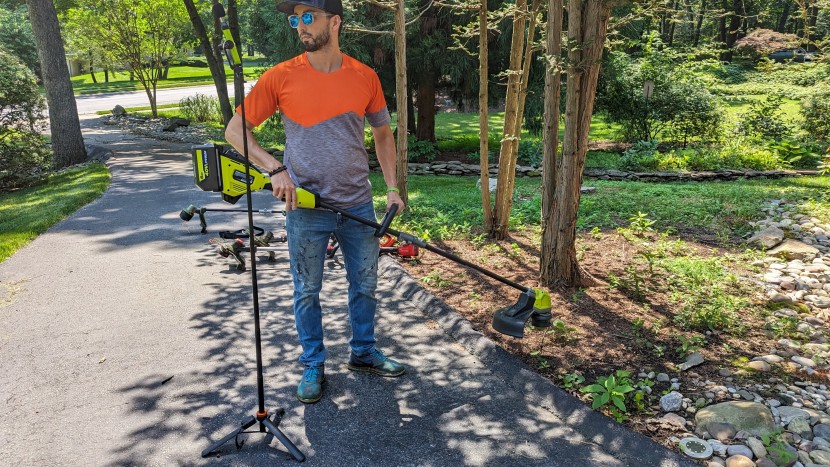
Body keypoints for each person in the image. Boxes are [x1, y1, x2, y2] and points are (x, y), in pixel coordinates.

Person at [224, 0, 406, 404]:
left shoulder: (365, 76)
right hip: (306, 207)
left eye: (309, 17)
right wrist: (274, 168)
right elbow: (235, 131)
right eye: (296, 19)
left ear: (335, 21)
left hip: (357, 203)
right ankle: (313, 363)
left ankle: (363, 352)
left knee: (366, 285)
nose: (300, 26)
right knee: (307, 289)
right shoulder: (281, 76)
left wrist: (393, 187)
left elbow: (383, 134)